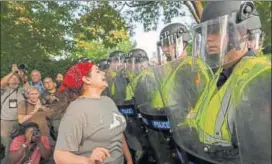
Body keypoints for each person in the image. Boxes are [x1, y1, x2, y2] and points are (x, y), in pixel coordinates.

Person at [179, 1, 270, 164]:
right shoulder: (219, 75)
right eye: (205, 32)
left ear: (242, 32)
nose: (208, 38)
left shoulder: (260, 75)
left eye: (215, 30)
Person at [54, 61, 132, 164]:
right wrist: (89, 161)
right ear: (87, 79)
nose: (103, 73)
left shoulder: (107, 101)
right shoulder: (76, 110)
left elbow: (118, 132)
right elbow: (59, 155)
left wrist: (129, 160)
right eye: (98, 71)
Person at [1, 64, 25, 163]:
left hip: (19, 122)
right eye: (12, 79)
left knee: (18, 144)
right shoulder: (4, 90)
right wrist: (13, 72)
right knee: (7, 144)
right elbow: (2, 82)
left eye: (16, 79)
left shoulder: (21, 91)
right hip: (6, 123)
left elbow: (26, 85)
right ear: (8, 81)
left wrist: (20, 75)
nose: (14, 80)